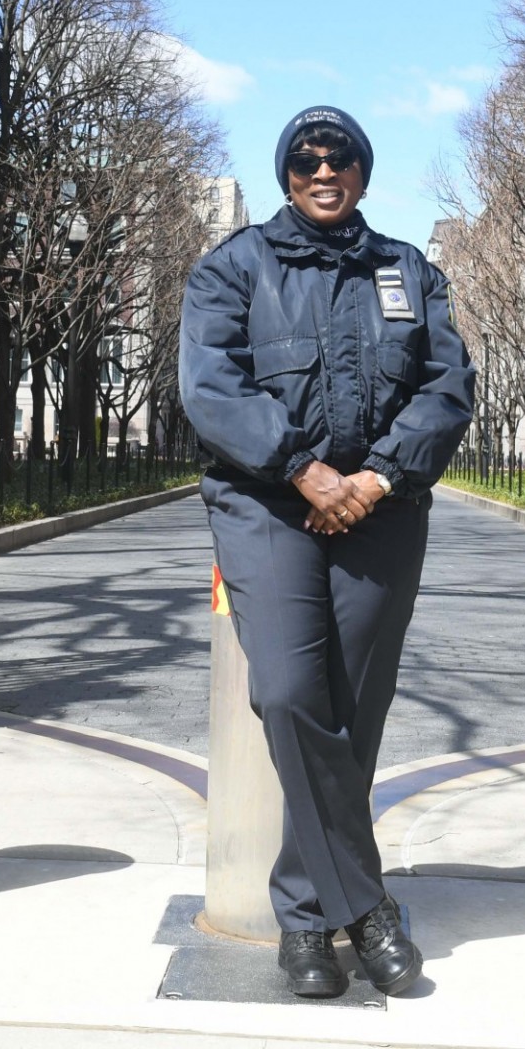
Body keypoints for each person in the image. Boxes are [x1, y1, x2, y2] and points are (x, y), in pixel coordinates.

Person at [180, 105, 475, 999]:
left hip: (381, 507)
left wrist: (375, 480)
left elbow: (447, 383)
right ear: (286, 171)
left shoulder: (409, 269)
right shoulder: (233, 267)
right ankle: (367, 907)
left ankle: (307, 920)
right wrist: (304, 471)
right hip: (266, 503)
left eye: (339, 157)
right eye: (307, 158)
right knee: (290, 694)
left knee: (356, 705)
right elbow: (211, 385)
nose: (323, 170)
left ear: (361, 172)